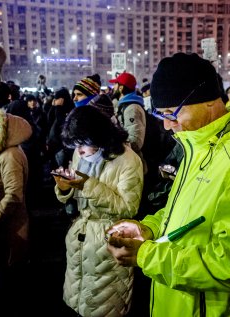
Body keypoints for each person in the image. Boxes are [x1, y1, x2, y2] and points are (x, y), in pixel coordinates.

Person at [106, 53, 230, 316]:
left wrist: (146, 256)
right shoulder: (198, 144)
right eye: (161, 115)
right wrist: (148, 229)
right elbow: (183, 212)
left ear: (211, 102)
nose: (168, 125)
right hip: (181, 301)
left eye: (172, 113)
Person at [52, 105, 143, 316]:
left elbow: (128, 208)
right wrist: (64, 188)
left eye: (82, 143)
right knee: (77, 302)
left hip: (108, 244)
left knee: (104, 307)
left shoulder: (128, 160)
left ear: (98, 136)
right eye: (75, 145)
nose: (79, 150)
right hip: (80, 240)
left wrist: (86, 184)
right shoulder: (80, 154)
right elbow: (74, 195)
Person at [0, 109, 32, 303]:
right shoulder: (2, 152)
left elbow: (13, 195)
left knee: (11, 269)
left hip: (10, 223)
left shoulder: (10, 156)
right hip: (4, 222)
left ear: (5, 133)